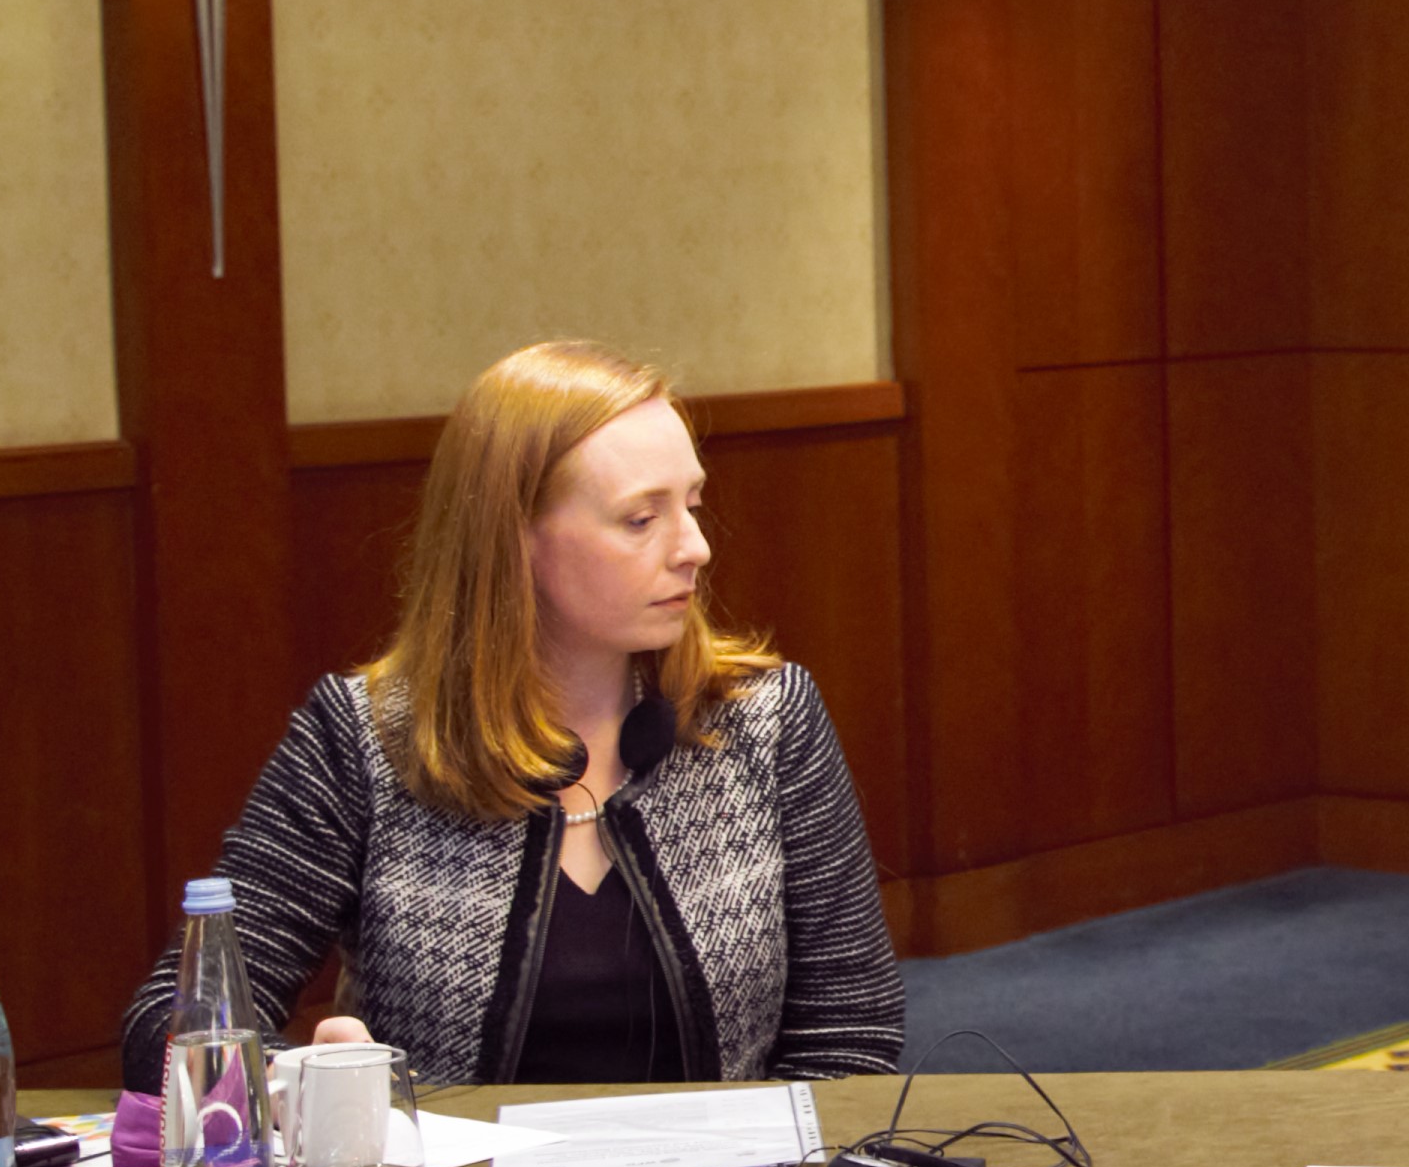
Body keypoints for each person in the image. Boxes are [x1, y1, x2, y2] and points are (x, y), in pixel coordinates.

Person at [118, 340, 904, 1092]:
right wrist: (304, 1086)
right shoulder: (367, 738)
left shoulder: (765, 721)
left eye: (693, 505)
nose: (694, 547)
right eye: (641, 519)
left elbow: (851, 1036)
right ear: (513, 538)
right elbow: (172, 1027)